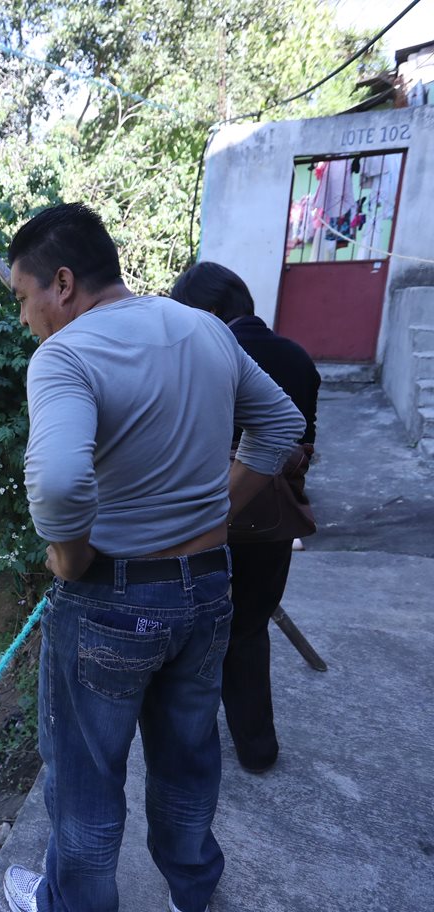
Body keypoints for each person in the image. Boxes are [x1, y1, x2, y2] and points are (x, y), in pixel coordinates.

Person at [1, 204, 304, 912]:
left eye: (24, 297)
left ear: (64, 283)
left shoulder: (65, 355)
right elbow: (281, 424)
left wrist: (70, 560)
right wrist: (216, 514)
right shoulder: (202, 328)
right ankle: (193, 896)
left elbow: (56, 481)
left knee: (86, 783)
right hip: (206, 595)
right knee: (188, 765)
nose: (25, 319)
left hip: (110, 602)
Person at [169, 261, 320, 774]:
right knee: (250, 630)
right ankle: (258, 751)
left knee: (198, 639)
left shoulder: (204, 354)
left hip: (211, 518)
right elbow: (305, 443)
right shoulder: (299, 357)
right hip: (274, 523)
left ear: (207, 312)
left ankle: (193, 752)